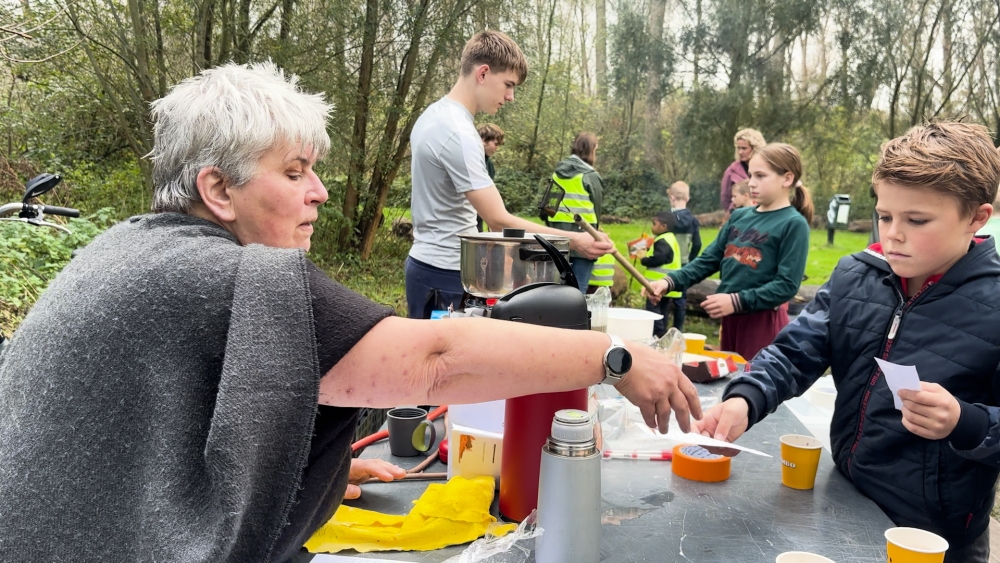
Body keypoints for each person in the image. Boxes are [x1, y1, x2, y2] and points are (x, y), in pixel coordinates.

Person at [0, 62, 701, 563]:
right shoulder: (217, 273)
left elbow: (159, 429)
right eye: (296, 171)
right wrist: (617, 356)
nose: (323, 193)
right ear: (217, 188)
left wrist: (298, 472)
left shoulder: (130, 248)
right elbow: (434, 363)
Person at [694, 122, 1000, 563]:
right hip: (847, 499)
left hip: (937, 536)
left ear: (976, 217)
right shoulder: (857, 273)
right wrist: (747, 397)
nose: (893, 233)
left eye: (917, 220)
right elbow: (795, 351)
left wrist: (966, 422)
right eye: (885, 215)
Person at [406, 31, 612, 318]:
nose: (510, 97)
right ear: (483, 73)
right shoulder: (459, 133)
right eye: (508, 85)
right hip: (446, 274)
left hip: (429, 266)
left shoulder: (434, 115)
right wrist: (575, 242)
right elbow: (498, 220)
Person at [649, 143, 813, 361]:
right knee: (730, 382)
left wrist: (735, 301)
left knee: (755, 387)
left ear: (787, 179)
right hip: (730, 321)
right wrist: (669, 281)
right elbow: (708, 259)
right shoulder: (739, 216)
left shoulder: (794, 224)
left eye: (761, 176)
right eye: (751, 175)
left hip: (762, 324)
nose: (751, 183)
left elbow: (786, 286)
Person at [545, 132, 605, 291]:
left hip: (557, 238)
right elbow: (597, 209)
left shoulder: (557, 173)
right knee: (579, 288)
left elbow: (547, 208)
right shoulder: (591, 176)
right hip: (585, 236)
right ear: (592, 150)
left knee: (555, 288)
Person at [667, 181, 702, 331]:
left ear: (672, 198)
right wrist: (691, 260)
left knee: (662, 294)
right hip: (683, 262)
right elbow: (698, 244)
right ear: (687, 199)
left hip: (666, 262)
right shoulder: (693, 220)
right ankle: (678, 329)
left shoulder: (667, 219)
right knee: (680, 297)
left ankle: (659, 328)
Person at [641, 211, 681, 338]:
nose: (652, 227)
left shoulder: (663, 240)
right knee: (662, 311)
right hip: (667, 285)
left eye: (654, 224)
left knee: (653, 312)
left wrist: (644, 259)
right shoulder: (670, 239)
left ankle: (658, 334)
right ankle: (662, 333)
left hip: (657, 286)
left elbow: (659, 258)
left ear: (663, 226)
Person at [720, 128, 766, 212]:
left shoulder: (768, 169)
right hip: (738, 215)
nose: (740, 152)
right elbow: (725, 198)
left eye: (744, 148)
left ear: (755, 148)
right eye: (738, 148)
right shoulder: (731, 171)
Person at [475, 123, 504, 232]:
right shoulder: (473, 160)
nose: (497, 148)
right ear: (483, 140)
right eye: (495, 144)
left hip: (479, 215)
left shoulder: (489, 164)